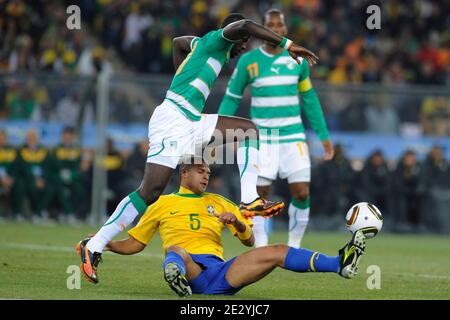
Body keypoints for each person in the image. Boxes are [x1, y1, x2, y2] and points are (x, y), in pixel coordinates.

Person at [77, 13, 319, 284]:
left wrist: (182, 72)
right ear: (235, 36)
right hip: (173, 117)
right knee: (151, 190)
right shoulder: (217, 41)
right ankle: (95, 244)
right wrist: (288, 44)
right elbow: (243, 24)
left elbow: (179, 42)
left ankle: (249, 199)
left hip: (191, 118)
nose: (245, 46)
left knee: (249, 130)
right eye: (245, 41)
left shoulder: (206, 48)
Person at [95, 159, 366, 297]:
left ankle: (339, 263)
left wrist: (237, 221)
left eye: (209, 173)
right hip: (192, 269)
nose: (206, 176)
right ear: (184, 173)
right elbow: (136, 243)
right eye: (201, 171)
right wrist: (105, 244)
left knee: (278, 250)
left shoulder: (220, 202)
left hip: (221, 272)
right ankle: (175, 276)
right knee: (176, 249)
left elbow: (248, 241)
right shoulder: (160, 203)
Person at [218, 9, 334, 248]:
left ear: (285, 29)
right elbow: (232, 97)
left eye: (279, 25)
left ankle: (294, 245)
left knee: (301, 193)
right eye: (269, 25)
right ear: (262, 29)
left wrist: (323, 136)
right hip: (263, 137)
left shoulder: (298, 61)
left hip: (293, 136)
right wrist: (219, 129)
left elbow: (309, 99)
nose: (275, 29)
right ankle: (261, 246)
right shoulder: (248, 61)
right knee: (260, 197)